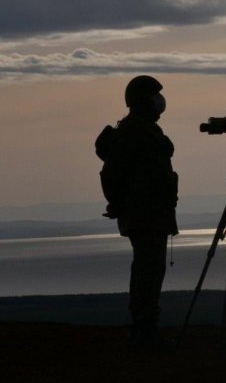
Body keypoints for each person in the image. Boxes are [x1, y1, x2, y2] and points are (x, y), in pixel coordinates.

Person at [98, 75, 179, 350]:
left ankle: (145, 327)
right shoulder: (133, 131)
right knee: (148, 268)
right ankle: (144, 328)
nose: (159, 101)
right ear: (141, 101)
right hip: (144, 214)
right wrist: (122, 203)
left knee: (151, 268)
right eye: (154, 96)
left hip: (153, 212)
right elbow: (114, 172)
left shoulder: (146, 130)